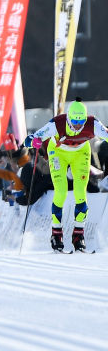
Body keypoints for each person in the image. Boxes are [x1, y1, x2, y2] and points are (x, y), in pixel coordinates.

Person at [26, 99, 108, 252]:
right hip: (58, 153)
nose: (77, 126)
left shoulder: (93, 124)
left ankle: (79, 236)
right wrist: (32, 141)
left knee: (80, 193)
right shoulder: (57, 123)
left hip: (80, 153)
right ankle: (56, 235)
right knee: (61, 191)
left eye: (81, 121)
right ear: (68, 117)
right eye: (74, 122)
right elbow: (34, 137)